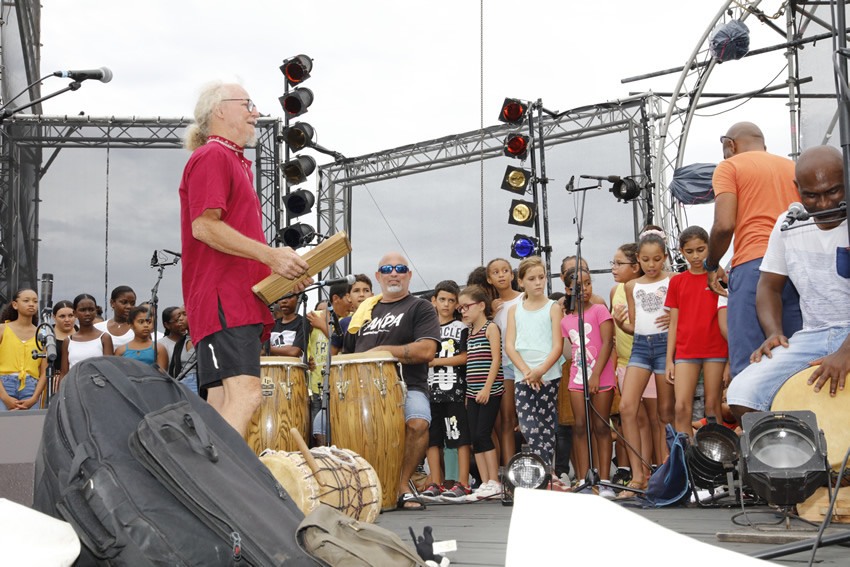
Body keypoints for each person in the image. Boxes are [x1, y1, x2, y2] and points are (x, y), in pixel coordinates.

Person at [179, 81, 311, 435]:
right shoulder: (213, 156)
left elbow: (235, 243)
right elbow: (205, 228)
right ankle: (221, 486)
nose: (256, 112)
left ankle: (208, 484)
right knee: (247, 395)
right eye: (248, 104)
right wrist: (271, 254)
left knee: (222, 401)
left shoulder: (232, 161)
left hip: (233, 300)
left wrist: (280, 271)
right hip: (225, 300)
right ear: (219, 110)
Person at [727, 145, 850, 419]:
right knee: (741, 396)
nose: (824, 204)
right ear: (797, 189)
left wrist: (846, 351)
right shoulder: (788, 224)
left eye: (833, 191)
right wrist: (773, 332)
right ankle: (796, 457)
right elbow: (769, 286)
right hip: (813, 337)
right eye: (811, 195)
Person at [342, 252, 440, 511]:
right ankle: (355, 484)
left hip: (407, 385)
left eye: (400, 268)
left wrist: (382, 351)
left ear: (408, 275)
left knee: (418, 423)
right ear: (378, 276)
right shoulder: (364, 312)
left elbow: (427, 350)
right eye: (387, 268)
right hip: (360, 389)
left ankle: (402, 484)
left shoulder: (420, 307)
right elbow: (346, 354)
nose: (393, 273)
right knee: (321, 424)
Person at [705, 122, 802, 380]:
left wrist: (711, 264)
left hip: (754, 267)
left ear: (729, 144)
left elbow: (724, 225)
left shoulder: (729, 166)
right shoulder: (793, 167)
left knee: (750, 370)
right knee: (798, 364)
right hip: (796, 267)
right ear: (764, 146)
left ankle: (756, 421)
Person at [617, 228, 674, 498]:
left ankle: (665, 475)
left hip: (665, 348)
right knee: (626, 407)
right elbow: (633, 326)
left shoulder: (674, 281)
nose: (651, 265)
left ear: (664, 257)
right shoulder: (630, 286)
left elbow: (682, 317)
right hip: (640, 347)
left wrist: (676, 321)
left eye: (657, 259)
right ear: (638, 259)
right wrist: (620, 323)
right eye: (646, 260)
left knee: (664, 413)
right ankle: (638, 478)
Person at [664, 226, 729, 438]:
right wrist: (669, 361)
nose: (695, 256)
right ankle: (685, 459)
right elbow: (673, 323)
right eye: (689, 251)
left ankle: (717, 460)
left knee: (712, 408)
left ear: (710, 248)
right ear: (681, 251)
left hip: (716, 349)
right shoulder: (677, 281)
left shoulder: (719, 278)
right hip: (685, 351)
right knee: (681, 407)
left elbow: (729, 316)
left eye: (701, 250)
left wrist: (729, 360)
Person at [504, 256, 564, 478]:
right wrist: (527, 372)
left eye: (542, 277)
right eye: (532, 278)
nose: (538, 282)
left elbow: (558, 345)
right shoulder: (514, 310)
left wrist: (540, 370)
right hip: (523, 376)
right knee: (528, 425)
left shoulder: (553, 307)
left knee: (547, 425)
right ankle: (543, 470)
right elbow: (509, 345)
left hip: (548, 374)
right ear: (521, 282)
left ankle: (548, 472)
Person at [561, 267, 616, 498]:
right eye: (578, 285)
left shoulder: (600, 310)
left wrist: (595, 375)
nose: (584, 289)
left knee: (601, 427)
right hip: (577, 379)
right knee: (580, 427)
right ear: (568, 289)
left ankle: (604, 481)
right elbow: (570, 352)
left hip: (601, 377)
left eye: (588, 283)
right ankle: (584, 478)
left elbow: (607, 344)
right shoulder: (567, 320)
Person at [609, 243, 659, 486]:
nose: (613, 268)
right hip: (625, 362)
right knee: (631, 416)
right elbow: (617, 333)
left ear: (635, 266)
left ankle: (652, 473)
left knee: (655, 420)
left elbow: (642, 326)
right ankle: (638, 474)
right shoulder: (615, 291)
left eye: (619, 263)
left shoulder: (650, 286)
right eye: (613, 263)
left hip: (650, 359)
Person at [419, 280, 471, 502]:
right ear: (434, 301)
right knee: (433, 439)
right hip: (430, 391)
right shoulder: (425, 330)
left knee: (458, 437)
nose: (446, 304)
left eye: (451, 300)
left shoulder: (461, 328)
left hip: (454, 391)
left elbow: (464, 357)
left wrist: (436, 361)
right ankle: (436, 483)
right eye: (442, 299)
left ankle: (463, 483)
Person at [456, 284, 503, 501]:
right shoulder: (470, 332)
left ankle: (494, 481)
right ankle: (485, 483)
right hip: (473, 392)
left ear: (481, 306)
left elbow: (496, 359)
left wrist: (486, 388)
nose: (463, 311)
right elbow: (470, 365)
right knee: (475, 437)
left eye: (467, 306)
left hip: (490, 390)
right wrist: (469, 394)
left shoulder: (490, 328)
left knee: (484, 434)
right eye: (461, 308)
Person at [487, 258, 522, 466]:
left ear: (512, 275)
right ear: (489, 279)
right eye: (495, 272)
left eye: (505, 270)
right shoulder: (493, 308)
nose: (501, 275)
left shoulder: (524, 298)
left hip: (528, 365)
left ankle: (546, 469)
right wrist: (491, 314)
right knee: (507, 420)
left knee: (532, 420)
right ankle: (510, 470)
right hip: (505, 368)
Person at [0, 289, 46, 411]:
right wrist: (4, 396)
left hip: (31, 387)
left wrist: (35, 398)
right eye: (26, 301)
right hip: (3, 384)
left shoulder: (42, 334)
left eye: (35, 301)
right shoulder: (3, 329)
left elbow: (44, 371)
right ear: (15, 305)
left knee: (28, 428)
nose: (31, 304)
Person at [61, 294, 115, 379]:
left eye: (91, 310)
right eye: (82, 310)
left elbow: (109, 371)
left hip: (98, 388)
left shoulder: (104, 338)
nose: (87, 313)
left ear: (96, 311)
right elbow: (64, 373)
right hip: (74, 387)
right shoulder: (68, 341)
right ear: (75, 313)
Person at [306, 300, 330, 445]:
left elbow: (339, 341)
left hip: (332, 383)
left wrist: (322, 324)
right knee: (317, 428)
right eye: (318, 312)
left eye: (325, 312)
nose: (321, 316)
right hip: (316, 385)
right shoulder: (311, 329)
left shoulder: (335, 324)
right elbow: (308, 350)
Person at [51, 300, 76, 390]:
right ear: (54, 317)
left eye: (71, 316)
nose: (67, 320)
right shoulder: (48, 333)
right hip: (53, 380)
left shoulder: (82, 332)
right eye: (62, 316)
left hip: (78, 378)